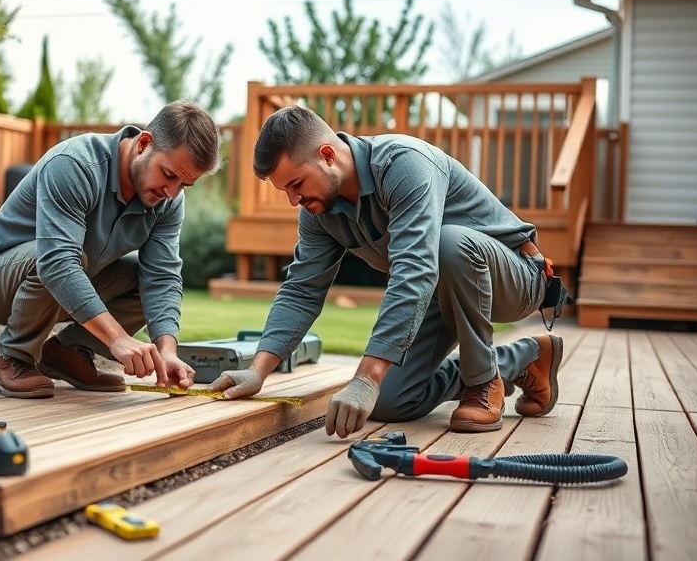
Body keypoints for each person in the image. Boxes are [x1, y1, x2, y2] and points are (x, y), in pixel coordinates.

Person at [211, 106, 563, 436]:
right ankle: (525, 357)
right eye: (285, 190)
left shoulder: (404, 164)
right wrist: (257, 370)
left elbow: (416, 268)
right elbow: (301, 290)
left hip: (516, 278)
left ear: (327, 156)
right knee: (390, 400)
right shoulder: (320, 212)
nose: (293, 200)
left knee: (448, 243)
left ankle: (483, 382)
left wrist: (366, 375)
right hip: (441, 291)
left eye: (297, 184)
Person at [0, 100, 220, 399]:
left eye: (185, 185)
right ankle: (12, 355)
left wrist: (167, 350)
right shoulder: (75, 165)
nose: (172, 193)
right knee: (60, 258)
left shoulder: (168, 200)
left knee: (142, 279)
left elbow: (162, 277)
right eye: (170, 175)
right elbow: (57, 263)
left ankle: (66, 352)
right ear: (144, 143)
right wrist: (117, 338)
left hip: (64, 279)